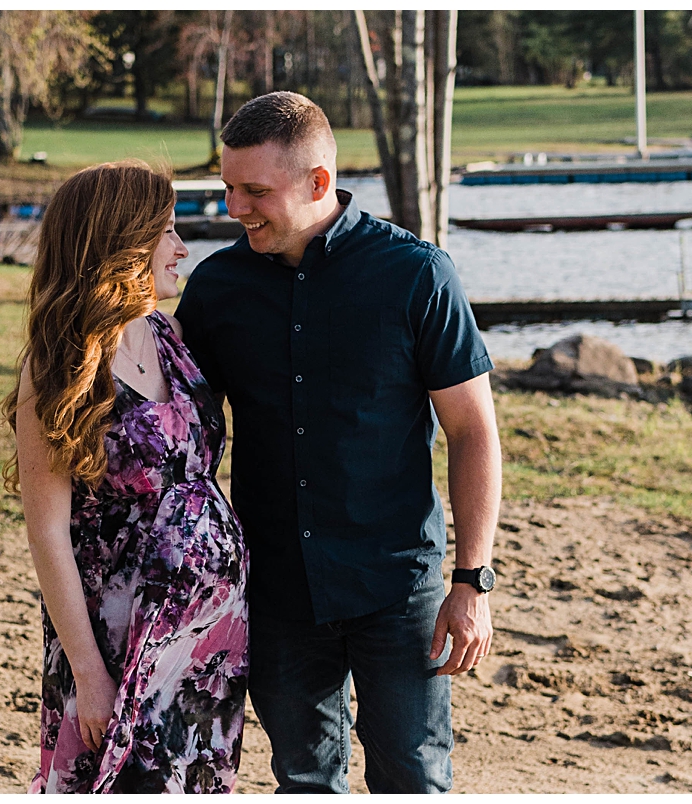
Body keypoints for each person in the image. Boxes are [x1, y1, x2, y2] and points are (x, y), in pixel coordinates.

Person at [175, 92, 501, 794]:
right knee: (303, 780)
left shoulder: (416, 276)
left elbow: (473, 431)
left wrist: (472, 581)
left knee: (412, 779)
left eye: (256, 191)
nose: (236, 207)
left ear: (319, 182)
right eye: (229, 187)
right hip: (276, 591)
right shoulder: (215, 289)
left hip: (397, 587)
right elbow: (173, 426)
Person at [0, 161, 248, 794]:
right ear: (121, 242)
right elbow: (48, 532)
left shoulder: (171, 335)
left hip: (204, 637)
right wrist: (89, 673)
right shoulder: (60, 367)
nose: (181, 247)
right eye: (164, 232)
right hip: (116, 633)